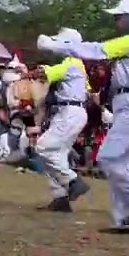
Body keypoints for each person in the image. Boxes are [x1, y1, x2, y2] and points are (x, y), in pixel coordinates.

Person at [40, 0, 129, 234]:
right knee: (121, 163)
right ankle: (128, 217)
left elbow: (97, 50)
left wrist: (57, 45)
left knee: (108, 158)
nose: (116, 19)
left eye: (120, 16)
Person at [23, 27, 93, 212]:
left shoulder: (71, 63)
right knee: (57, 154)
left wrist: (31, 72)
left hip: (71, 112)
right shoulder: (77, 63)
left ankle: (72, 181)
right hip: (69, 112)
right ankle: (60, 197)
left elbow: (46, 73)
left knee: (44, 147)